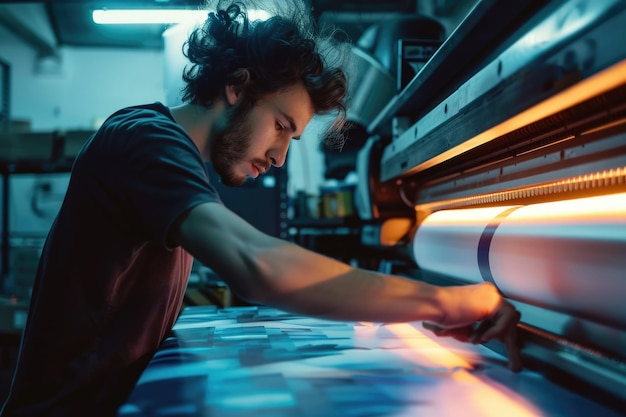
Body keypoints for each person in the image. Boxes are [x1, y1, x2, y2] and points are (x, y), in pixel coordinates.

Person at [1, 1, 522, 416]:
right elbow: (258, 266)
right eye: (281, 126)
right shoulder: (144, 139)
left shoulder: (178, 159)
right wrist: (451, 303)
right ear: (237, 87)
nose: (278, 158)